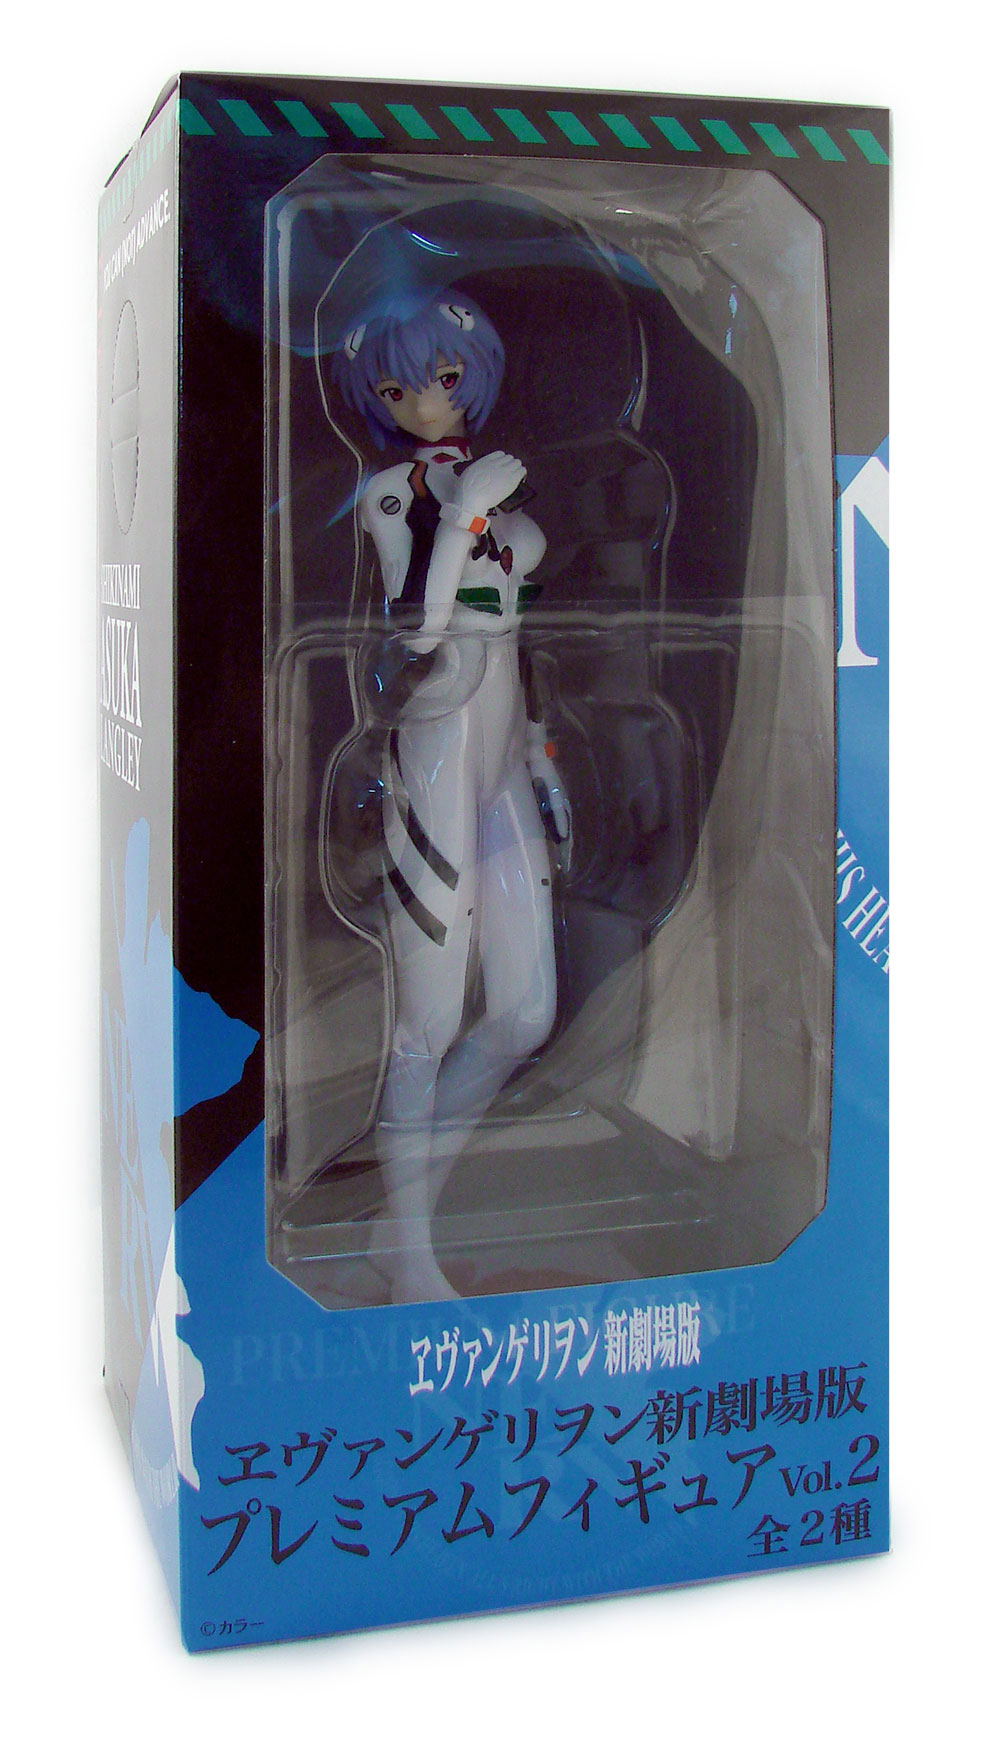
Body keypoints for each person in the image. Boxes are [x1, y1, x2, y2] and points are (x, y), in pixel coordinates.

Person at [332, 291, 570, 1302]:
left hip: (502, 749)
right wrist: (466, 511)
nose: (426, 402)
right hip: (433, 742)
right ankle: (410, 1249)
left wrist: (540, 752)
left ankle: (399, 1223)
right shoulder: (395, 495)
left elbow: (518, 635)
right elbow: (417, 630)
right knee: (425, 1021)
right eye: (398, 389)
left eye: (441, 377)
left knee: (524, 1011)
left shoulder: (503, 492)